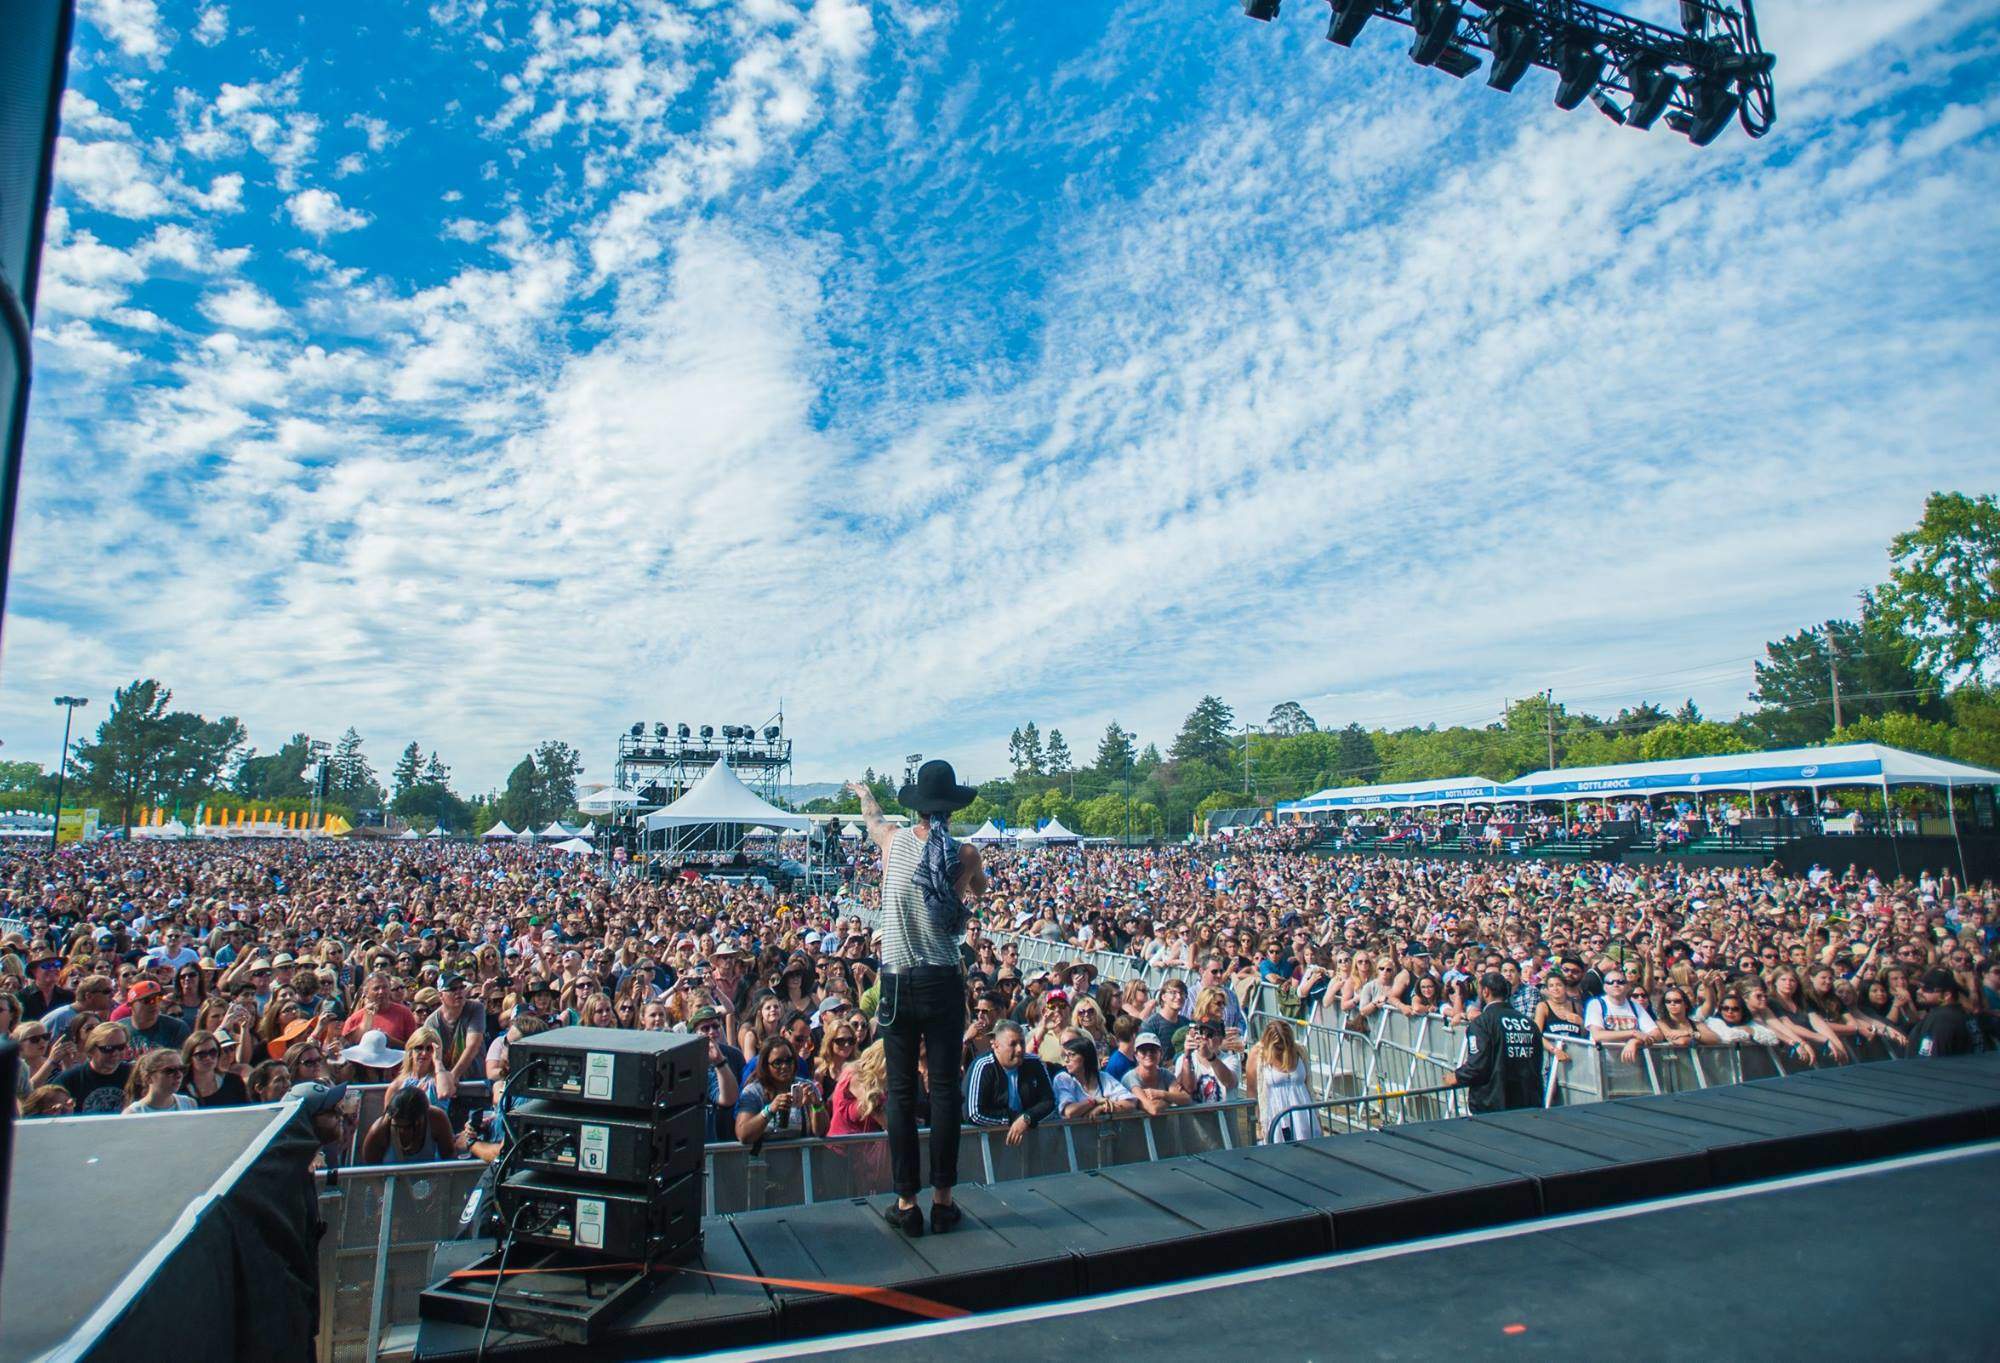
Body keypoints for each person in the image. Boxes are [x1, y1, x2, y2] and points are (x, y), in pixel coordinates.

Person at [851, 761, 985, 1238]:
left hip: (896, 981)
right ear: (951, 806)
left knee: (902, 1093)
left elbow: (872, 818)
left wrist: (865, 792)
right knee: (945, 1089)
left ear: (918, 806)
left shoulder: (893, 841)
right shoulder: (965, 853)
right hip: (943, 979)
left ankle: (906, 1203)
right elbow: (978, 892)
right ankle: (944, 1202)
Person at [1445, 972, 1544, 1113]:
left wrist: (1457, 1076)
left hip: (1493, 1104)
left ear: (1485, 991)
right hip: (1529, 1101)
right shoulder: (1529, 1023)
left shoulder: (1482, 1022)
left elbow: (1478, 1065)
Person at [964, 1020, 1057, 1140]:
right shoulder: (982, 1066)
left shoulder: (1034, 1063)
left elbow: (1049, 1102)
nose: (1019, 1049)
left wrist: (1027, 1118)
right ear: (996, 1046)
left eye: (1022, 1043)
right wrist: (1013, 1119)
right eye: (1013, 1044)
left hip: (1030, 1142)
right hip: (989, 1143)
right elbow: (974, 1114)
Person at [1246, 1020, 1319, 1141]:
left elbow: (1309, 1086)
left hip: (1304, 1115)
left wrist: (1317, 1116)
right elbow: (1252, 1091)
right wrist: (1258, 1123)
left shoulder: (1300, 1050)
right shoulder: (1257, 1054)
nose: (1282, 1050)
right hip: (1275, 1115)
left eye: (1285, 1045)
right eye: (1277, 1047)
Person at [1051, 1031, 1138, 1120]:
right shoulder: (1063, 1079)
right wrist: (1094, 1101)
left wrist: (1102, 1108)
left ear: (1086, 1056)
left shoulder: (1103, 1077)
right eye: (1065, 1056)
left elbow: (1130, 1103)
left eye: (1071, 1055)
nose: (1066, 1060)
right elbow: (1069, 1112)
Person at [361, 1085, 456, 1164]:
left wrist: (442, 1185)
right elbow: (370, 1174)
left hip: (428, 1182)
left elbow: (449, 1157)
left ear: (421, 1119)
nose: (401, 1131)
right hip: (389, 1183)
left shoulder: (437, 1119)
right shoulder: (379, 1130)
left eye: (406, 1127)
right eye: (396, 1126)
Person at [56, 1022, 135, 1114]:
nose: (115, 1053)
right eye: (108, 1048)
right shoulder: (70, 1079)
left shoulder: (134, 1074)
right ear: (91, 1050)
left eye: (121, 1047)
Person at [1908, 968, 1975, 1059]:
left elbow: (1931, 1062)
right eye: (1919, 986)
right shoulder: (1962, 1013)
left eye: (1927, 988)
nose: (1919, 991)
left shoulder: (1942, 1018)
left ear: (1946, 995)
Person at [120, 979, 191, 1055]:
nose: (154, 1004)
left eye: (158, 998)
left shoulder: (177, 1028)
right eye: (147, 1000)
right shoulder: (119, 1030)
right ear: (131, 1005)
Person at [123, 1048, 197, 1114]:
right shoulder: (133, 1113)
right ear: (148, 1078)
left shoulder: (189, 1104)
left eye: (182, 1069)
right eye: (169, 1071)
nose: (179, 1075)